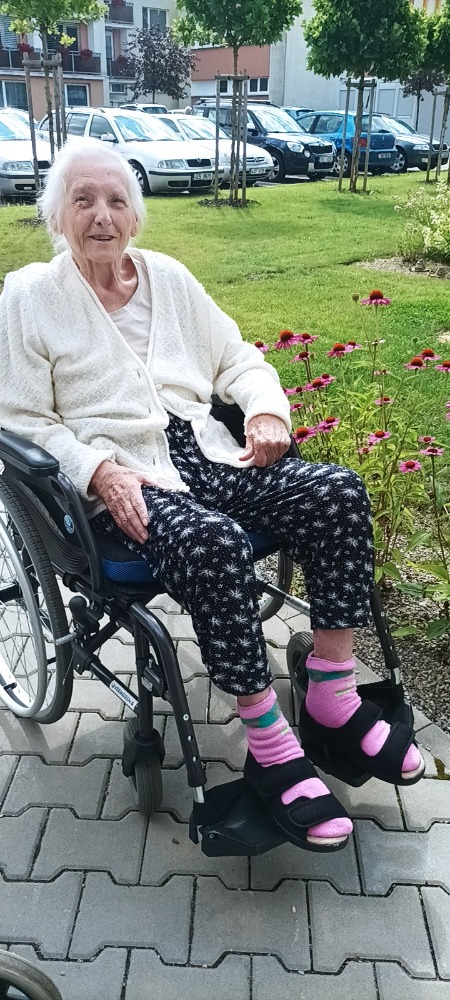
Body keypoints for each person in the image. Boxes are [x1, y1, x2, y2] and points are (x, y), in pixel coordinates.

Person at [0, 140, 424, 853]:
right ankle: (271, 747)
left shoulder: (168, 277)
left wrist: (265, 410)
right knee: (213, 542)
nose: (102, 216)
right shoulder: (29, 297)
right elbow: (21, 419)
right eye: (83, 200)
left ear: (135, 216)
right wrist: (98, 469)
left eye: (116, 201)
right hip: (123, 476)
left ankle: (332, 696)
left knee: (338, 493)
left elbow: (238, 358)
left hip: (208, 451)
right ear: (56, 215)